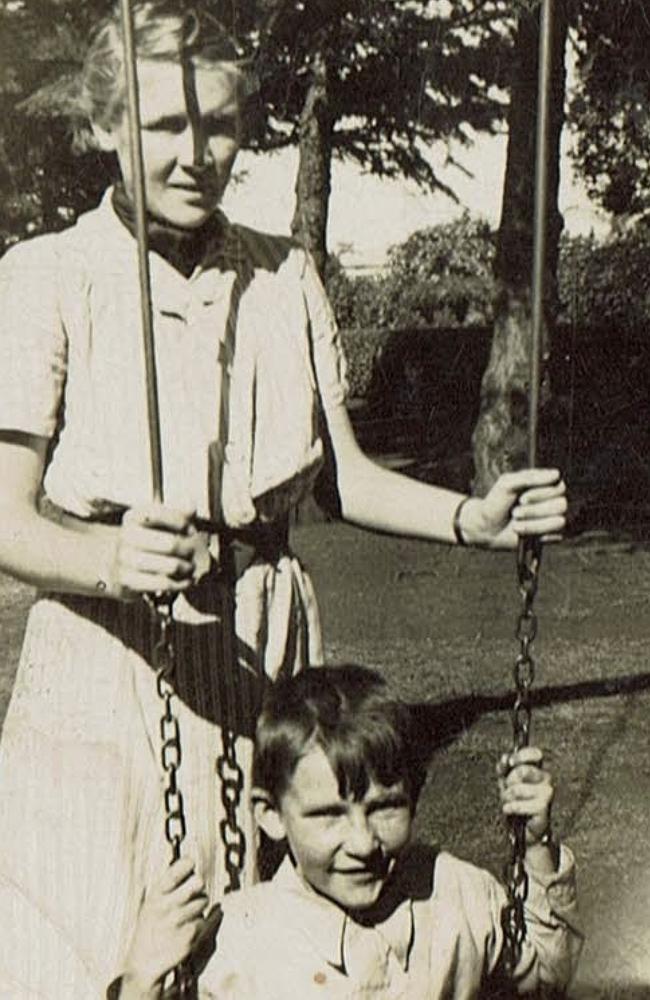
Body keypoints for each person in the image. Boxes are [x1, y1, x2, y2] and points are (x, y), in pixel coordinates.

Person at [0, 2, 567, 997]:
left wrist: (468, 519)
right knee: (106, 940)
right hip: (106, 664)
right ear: (104, 127)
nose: (194, 153)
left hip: (261, 646)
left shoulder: (284, 273)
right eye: (164, 125)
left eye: (216, 124)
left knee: (269, 950)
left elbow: (337, 476)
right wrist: (106, 558)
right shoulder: (44, 278)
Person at [119, 664, 583, 999]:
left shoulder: (458, 894)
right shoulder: (236, 944)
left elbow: (543, 982)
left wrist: (537, 844)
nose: (362, 843)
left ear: (414, 795)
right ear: (270, 815)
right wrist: (140, 983)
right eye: (328, 815)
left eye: (385, 807)